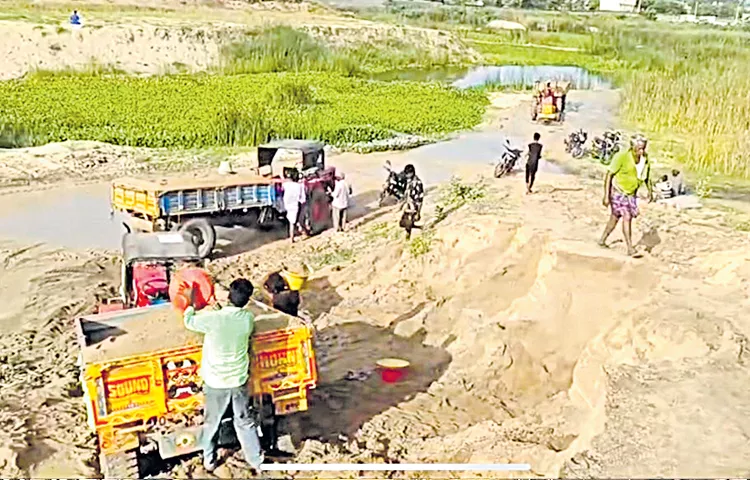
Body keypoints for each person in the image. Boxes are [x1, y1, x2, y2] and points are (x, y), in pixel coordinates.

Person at [183, 278, 264, 474]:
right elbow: (232, 320)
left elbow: (189, 322)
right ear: (247, 300)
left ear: (228, 295)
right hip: (238, 381)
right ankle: (256, 461)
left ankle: (209, 461)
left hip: (216, 383)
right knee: (245, 421)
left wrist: (190, 304)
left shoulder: (213, 319)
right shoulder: (247, 319)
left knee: (212, 423)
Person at [598, 134, 652, 257]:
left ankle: (602, 239)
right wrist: (606, 195)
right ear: (632, 148)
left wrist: (650, 190)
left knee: (615, 217)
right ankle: (630, 248)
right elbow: (609, 175)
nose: (641, 151)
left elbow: (646, 175)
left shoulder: (644, 159)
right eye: (639, 149)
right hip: (618, 192)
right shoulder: (621, 157)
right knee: (627, 217)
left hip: (631, 194)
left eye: (643, 148)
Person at [400, 164, 424, 240]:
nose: (406, 175)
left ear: (412, 173)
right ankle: (419, 229)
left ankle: (409, 237)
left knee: (408, 224)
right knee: (404, 223)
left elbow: (420, 199)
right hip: (409, 205)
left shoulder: (418, 183)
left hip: (414, 206)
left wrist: (418, 212)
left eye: (407, 174)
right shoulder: (409, 181)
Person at [283, 169, 306, 244]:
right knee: (297, 221)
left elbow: (283, 186)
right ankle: (302, 233)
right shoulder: (299, 186)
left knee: (292, 221)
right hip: (295, 204)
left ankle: (293, 237)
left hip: (287, 204)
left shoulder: (286, 184)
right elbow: (303, 198)